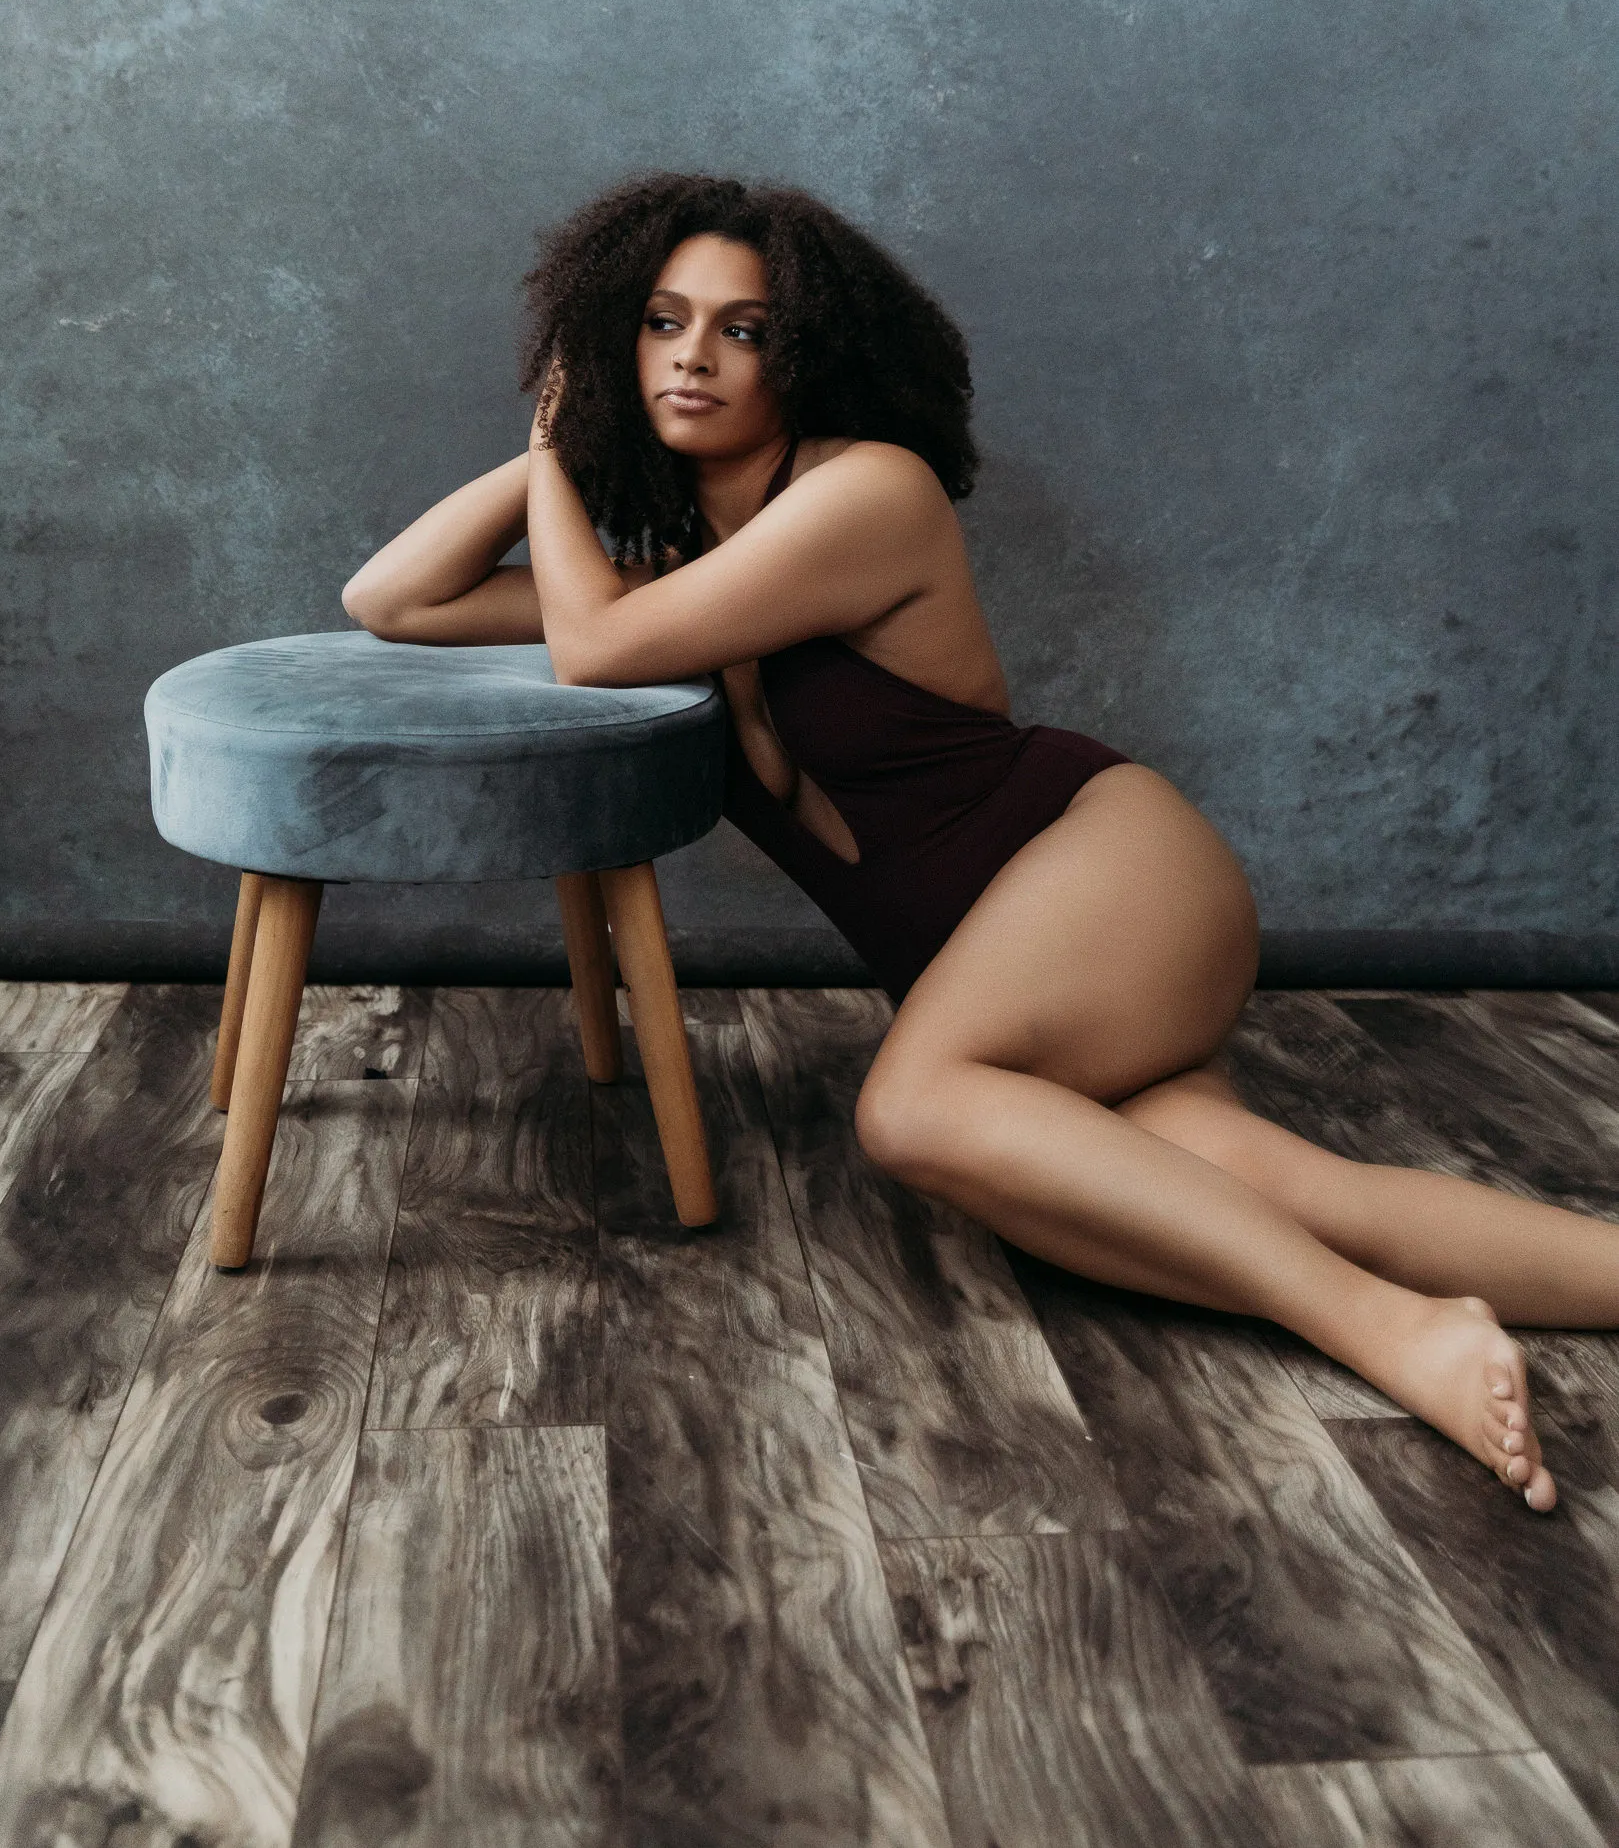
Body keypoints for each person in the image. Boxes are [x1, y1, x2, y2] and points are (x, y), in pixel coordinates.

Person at [343, 172, 1613, 1513]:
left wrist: (555, 443)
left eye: (743, 328)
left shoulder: (863, 495)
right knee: (1270, 1186)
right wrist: (569, 439)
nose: (695, 358)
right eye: (658, 323)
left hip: (1105, 877)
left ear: (812, 350)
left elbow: (590, 651)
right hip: (1000, 963)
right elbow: (396, 598)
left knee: (913, 1112)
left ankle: (1389, 1332)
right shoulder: (671, 579)